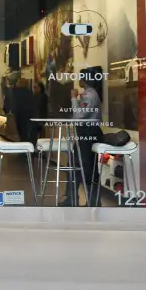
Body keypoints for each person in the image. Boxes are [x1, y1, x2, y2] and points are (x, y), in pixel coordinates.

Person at [61, 67, 105, 207]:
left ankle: (86, 200)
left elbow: (79, 116)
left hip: (88, 133)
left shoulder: (89, 96)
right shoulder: (89, 94)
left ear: (86, 80)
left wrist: (73, 98)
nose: (79, 80)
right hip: (86, 133)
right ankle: (79, 199)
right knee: (79, 166)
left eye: (81, 77)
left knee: (83, 167)